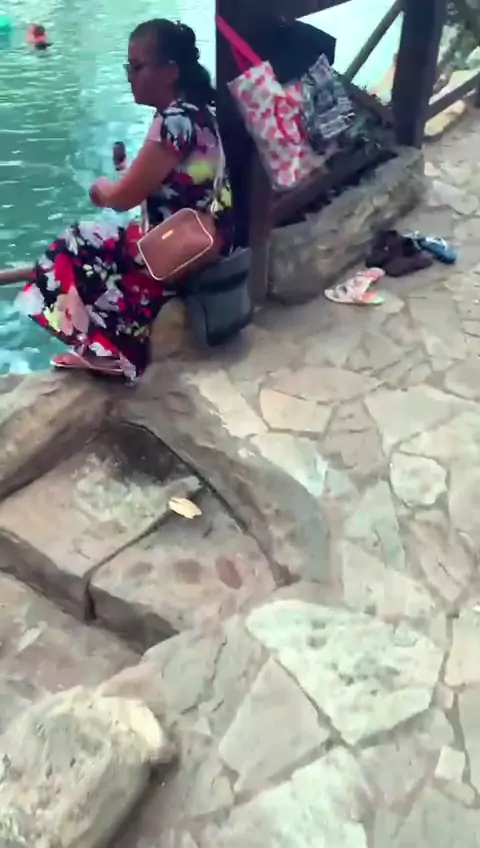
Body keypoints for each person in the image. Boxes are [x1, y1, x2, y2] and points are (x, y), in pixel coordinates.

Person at [16, 19, 233, 379]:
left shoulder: (173, 121)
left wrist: (102, 188)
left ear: (170, 71)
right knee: (108, 245)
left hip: (177, 248)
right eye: (128, 67)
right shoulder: (199, 110)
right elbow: (177, 182)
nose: (130, 77)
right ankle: (110, 345)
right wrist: (127, 177)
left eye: (137, 67)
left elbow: (121, 198)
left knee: (76, 241)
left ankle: (106, 352)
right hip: (203, 239)